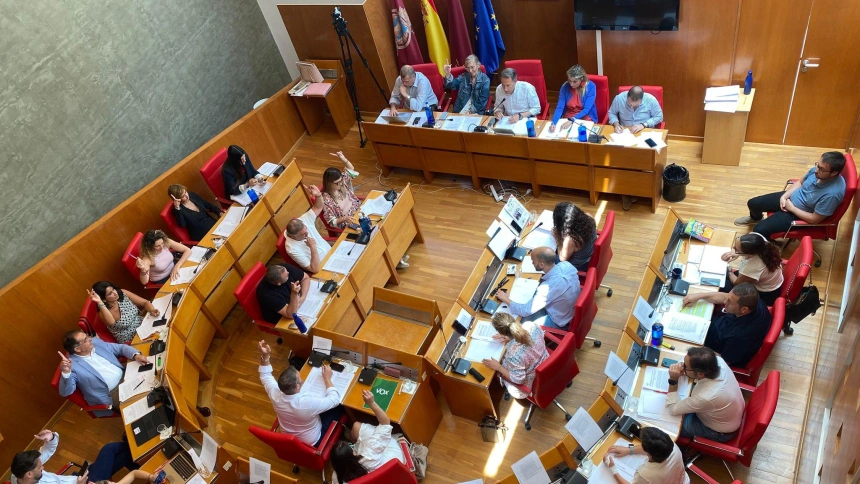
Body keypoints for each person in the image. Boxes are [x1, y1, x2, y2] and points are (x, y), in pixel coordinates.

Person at [734, 151, 847, 238]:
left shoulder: (832, 195)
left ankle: (768, 244)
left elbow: (814, 219)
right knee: (753, 203)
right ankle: (756, 218)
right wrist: (784, 197)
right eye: (818, 165)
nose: (816, 170)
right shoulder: (818, 171)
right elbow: (800, 182)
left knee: (759, 230)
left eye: (821, 169)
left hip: (797, 212)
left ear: (834, 173)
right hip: (790, 199)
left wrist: (791, 208)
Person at [257, 340, 344, 446]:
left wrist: (265, 355)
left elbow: (265, 375)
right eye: (299, 376)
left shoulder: (275, 395)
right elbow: (334, 400)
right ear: (297, 386)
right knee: (339, 408)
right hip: (313, 442)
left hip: (288, 437)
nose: (301, 376)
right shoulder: (307, 404)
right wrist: (327, 378)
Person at [10, 431, 161, 484]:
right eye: (39, 467)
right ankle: (142, 448)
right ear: (29, 474)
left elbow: (47, 450)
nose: (42, 466)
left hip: (78, 478)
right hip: (87, 483)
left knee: (123, 455)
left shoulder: (19, 472)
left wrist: (51, 438)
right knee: (110, 449)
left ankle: (141, 457)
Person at [57, 330, 149, 415]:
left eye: (87, 336)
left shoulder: (95, 342)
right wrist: (66, 373)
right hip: (112, 393)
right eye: (86, 340)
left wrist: (136, 355)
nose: (90, 339)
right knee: (144, 403)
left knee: (153, 380)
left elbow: (120, 348)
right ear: (77, 349)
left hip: (126, 374)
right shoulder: (72, 366)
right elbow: (65, 392)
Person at [684, 283, 773, 368]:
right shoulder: (754, 301)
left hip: (711, 345)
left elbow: (723, 360)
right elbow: (725, 296)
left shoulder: (739, 338)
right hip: (717, 326)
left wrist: (695, 348)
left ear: (744, 310)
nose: (724, 302)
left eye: (730, 302)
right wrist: (699, 296)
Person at [666, 347, 745, 442]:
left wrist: (673, 380)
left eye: (685, 366)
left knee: (669, 426)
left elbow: (673, 409)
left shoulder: (706, 396)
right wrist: (686, 370)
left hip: (719, 432)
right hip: (729, 413)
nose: (682, 367)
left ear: (700, 374)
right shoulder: (718, 361)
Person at [330, 390, 407, 484]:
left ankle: (351, 435)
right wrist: (371, 403)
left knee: (357, 429)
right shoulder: (370, 454)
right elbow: (385, 423)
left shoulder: (336, 479)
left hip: (380, 477)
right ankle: (352, 435)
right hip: (394, 469)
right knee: (357, 426)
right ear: (353, 454)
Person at [495, 247, 580, 329]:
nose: (532, 263)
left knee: (520, 324)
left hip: (559, 320)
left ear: (541, 264)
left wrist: (506, 299)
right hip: (569, 309)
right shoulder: (567, 265)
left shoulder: (547, 288)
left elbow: (524, 311)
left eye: (533, 261)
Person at [481, 312, 549, 400]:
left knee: (498, 368)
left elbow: (518, 379)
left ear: (500, 332)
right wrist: (511, 338)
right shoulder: (530, 325)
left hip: (534, 379)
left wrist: (499, 367)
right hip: (547, 361)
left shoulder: (513, 355)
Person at [602, 427, 689, 484]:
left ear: (649, 454)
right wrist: (629, 450)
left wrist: (613, 470)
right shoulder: (674, 447)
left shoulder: (646, 474)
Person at [719, 232, 784, 304]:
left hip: (764, 294)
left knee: (722, 285)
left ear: (749, 254)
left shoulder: (754, 266)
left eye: (736, 249)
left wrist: (729, 271)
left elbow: (737, 283)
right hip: (761, 279)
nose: (733, 249)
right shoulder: (758, 240)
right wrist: (736, 253)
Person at [88, 281, 159, 344]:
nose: (115, 293)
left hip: (144, 325)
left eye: (113, 289)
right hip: (131, 339)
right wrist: (99, 302)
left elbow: (144, 302)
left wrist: (152, 310)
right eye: (110, 293)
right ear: (103, 299)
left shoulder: (122, 293)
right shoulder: (103, 312)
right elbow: (111, 322)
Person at [284, 185, 330, 273]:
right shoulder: (292, 249)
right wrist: (313, 247)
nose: (307, 234)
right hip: (323, 267)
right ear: (293, 237)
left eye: (306, 230)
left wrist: (318, 195)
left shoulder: (304, 220)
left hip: (331, 251)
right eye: (303, 234)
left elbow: (318, 207)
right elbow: (314, 269)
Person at [549, 65, 598, 133]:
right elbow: (560, 108)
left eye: (575, 81)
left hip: (585, 116)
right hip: (569, 115)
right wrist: (553, 123)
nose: (571, 84)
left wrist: (572, 120)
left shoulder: (591, 87)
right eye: (569, 81)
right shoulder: (565, 87)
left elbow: (587, 109)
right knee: (562, 134)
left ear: (581, 79)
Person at [552, 202, 597, 272]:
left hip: (579, 265)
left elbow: (562, 258)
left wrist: (558, 239)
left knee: (548, 257)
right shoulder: (589, 217)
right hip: (588, 255)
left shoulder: (571, 239)